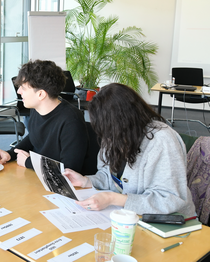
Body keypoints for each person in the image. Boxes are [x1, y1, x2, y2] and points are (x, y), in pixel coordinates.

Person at [63, 83, 196, 216]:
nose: (106, 138)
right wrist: (86, 181)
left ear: (124, 122)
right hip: (128, 217)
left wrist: (113, 198)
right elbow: (108, 177)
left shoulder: (162, 140)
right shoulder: (113, 134)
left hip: (170, 223)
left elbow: (169, 200)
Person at [0, 60, 94, 174]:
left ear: (41, 94)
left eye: (23, 88)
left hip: (67, 185)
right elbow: (33, 137)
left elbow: (69, 170)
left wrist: (29, 162)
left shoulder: (71, 121)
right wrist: (10, 153)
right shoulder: (37, 109)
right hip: (41, 176)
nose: (19, 91)